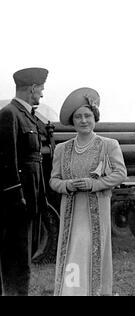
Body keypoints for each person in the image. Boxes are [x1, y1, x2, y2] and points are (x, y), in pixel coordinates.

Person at [50, 87, 127, 296]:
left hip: (96, 212)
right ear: (72, 121)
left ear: (95, 118)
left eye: (87, 116)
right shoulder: (62, 149)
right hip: (71, 213)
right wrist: (67, 185)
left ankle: (95, 291)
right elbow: (54, 181)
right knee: (72, 251)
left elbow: (120, 173)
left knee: (89, 249)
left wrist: (94, 184)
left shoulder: (109, 145)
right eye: (78, 117)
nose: (83, 120)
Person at [0, 67, 49, 296]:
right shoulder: (10, 114)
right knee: (16, 259)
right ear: (31, 88)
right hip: (17, 202)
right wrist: (15, 196)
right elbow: (7, 160)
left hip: (31, 198)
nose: (41, 93)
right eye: (40, 88)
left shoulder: (27, 114)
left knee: (25, 255)